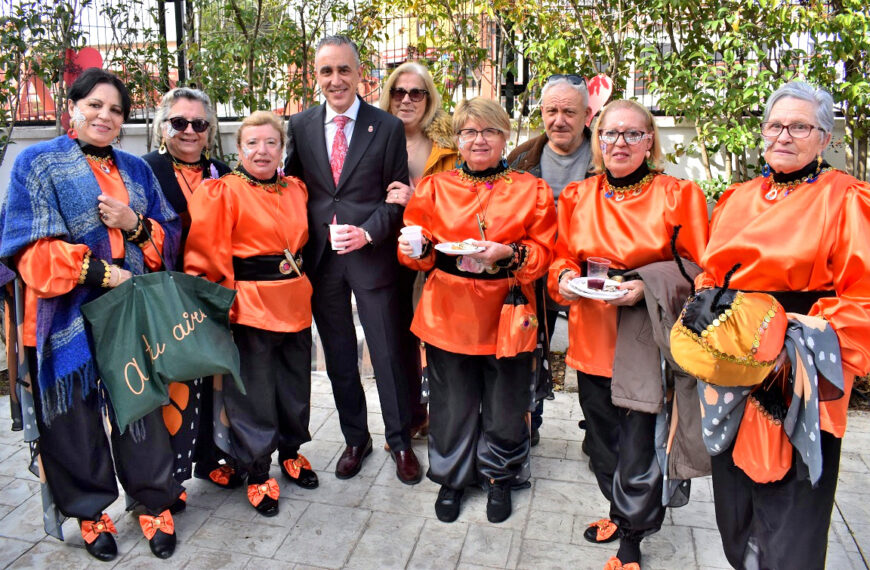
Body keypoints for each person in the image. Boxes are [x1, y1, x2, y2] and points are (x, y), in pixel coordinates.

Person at [0, 68, 182, 560]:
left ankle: (152, 502)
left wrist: (136, 224)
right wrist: (104, 273)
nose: (105, 115)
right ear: (72, 108)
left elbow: (166, 239)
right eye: (95, 105)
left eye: (116, 110)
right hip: (63, 315)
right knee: (74, 422)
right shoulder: (37, 164)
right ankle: (90, 510)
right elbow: (29, 250)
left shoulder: (137, 170)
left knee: (140, 408)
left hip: (129, 315)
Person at [696, 81, 870, 569]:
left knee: (792, 512)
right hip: (733, 362)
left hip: (800, 368)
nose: (783, 136)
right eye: (775, 125)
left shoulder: (847, 200)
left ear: (825, 137)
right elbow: (712, 274)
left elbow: (863, 300)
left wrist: (788, 330)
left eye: (800, 126)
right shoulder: (738, 197)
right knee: (736, 506)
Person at [548, 99, 708, 569]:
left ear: (649, 142)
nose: (620, 143)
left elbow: (702, 269)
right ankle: (620, 512)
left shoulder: (678, 195)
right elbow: (562, 256)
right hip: (591, 332)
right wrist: (561, 279)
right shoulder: (578, 196)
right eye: (610, 134)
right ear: (597, 142)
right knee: (601, 441)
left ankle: (632, 542)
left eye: (632, 134)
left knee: (641, 444)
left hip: (645, 336)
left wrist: (644, 288)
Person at [398, 97, 556, 523]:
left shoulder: (531, 188)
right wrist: (415, 248)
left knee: (505, 401)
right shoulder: (434, 188)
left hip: (507, 310)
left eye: (489, 131)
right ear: (459, 140)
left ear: (505, 137)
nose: (479, 140)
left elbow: (544, 253)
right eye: (469, 132)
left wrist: (511, 252)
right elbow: (418, 251)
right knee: (451, 402)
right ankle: (452, 478)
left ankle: (500, 477)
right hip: (447, 308)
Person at [284, 35, 422, 484]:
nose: (336, 79)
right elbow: (296, 191)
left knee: (388, 353)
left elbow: (397, 198)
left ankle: (400, 442)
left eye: (344, 69)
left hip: (373, 254)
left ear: (360, 74)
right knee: (339, 354)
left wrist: (366, 232)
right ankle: (354, 438)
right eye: (326, 71)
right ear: (316, 76)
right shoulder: (301, 126)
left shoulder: (385, 127)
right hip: (323, 260)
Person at [185, 111, 318, 517]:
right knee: (253, 394)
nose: (262, 151)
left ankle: (291, 451)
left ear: (282, 148)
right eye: (252, 144)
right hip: (249, 305)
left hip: (294, 299)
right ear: (238, 148)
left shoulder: (296, 188)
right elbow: (205, 256)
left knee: (295, 383)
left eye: (271, 143)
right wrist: (220, 308)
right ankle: (258, 471)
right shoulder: (221, 192)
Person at [142, 88, 237, 494]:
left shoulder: (222, 171)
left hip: (213, 294)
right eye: (179, 122)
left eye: (199, 124)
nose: (190, 131)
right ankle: (168, 478)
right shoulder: (144, 170)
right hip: (166, 295)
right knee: (174, 386)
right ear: (163, 127)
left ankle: (211, 459)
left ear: (210, 129)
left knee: (214, 381)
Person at [507, 73, 594, 446]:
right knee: (531, 347)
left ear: (588, 114)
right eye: (552, 110)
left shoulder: (606, 155)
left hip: (589, 268)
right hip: (536, 268)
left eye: (569, 112)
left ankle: (599, 431)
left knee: (593, 352)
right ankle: (530, 423)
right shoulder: (522, 157)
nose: (559, 120)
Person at [378, 61, 459, 448]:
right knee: (397, 341)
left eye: (416, 93)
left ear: (429, 99)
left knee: (436, 338)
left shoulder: (449, 147)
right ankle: (410, 416)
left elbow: (464, 205)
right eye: (398, 91)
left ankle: (445, 416)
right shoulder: (373, 137)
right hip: (383, 252)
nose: (406, 100)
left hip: (433, 254)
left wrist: (417, 202)